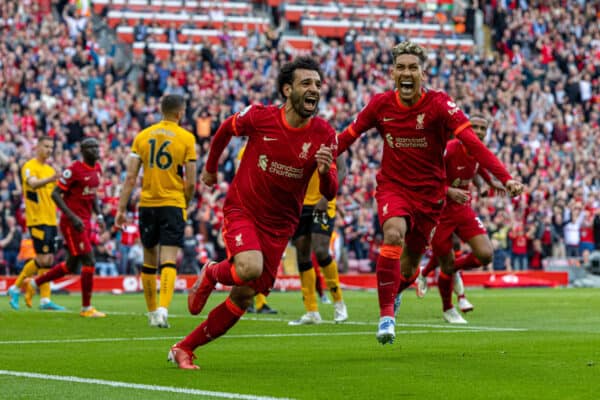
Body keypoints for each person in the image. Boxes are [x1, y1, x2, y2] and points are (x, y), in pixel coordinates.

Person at [337, 41, 523, 345]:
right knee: (393, 233)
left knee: (409, 268)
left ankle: (397, 291)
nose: (407, 72)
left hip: (430, 197)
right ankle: (386, 317)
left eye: (413, 67)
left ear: (423, 73)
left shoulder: (439, 105)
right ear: (393, 72)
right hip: (394, 188)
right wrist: (313, 157)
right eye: (401, 67)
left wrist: (506, 177)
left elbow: (474, 145)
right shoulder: (380, 105)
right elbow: (346, 137)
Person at [168, 56, 338, 369]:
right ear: (287, 90)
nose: (314, 89)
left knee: (243, 297)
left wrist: (325, 172)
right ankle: (211, 272)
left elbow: (330, 191)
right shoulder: (261, 117)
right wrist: (210, 169)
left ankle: (184, 347)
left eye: (317, 84)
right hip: (243, 209)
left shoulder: (324, 133)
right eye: (306, 83)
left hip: (281, 225)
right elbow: (224, 130)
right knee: (248, 267)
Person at [414, 115, 508, 323]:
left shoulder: (476, 150)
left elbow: (478, 166)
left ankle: (445, 270)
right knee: (445, 255)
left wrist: (489, 184)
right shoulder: (449, 148)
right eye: (474, 126)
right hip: (439, 212)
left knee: (485, 254)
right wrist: (448, 191)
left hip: (462, 208)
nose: (479, 131)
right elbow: (428, 176)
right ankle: (448, 308)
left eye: (483, 127)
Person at [115, 94, 197, 329]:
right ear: (180, 113)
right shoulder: (186, 139)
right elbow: (190, 182)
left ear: (161, 111)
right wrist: (186, 201)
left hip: (148, 204)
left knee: (149, 260)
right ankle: (163, 309)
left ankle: (152, 313)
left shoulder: (142, 136)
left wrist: (121, 209)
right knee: (169, 259)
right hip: (172, 203)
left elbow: (130, 177)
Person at [24, 138, 106, 318]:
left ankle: (34, 284)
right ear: (83, 151)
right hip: (72, 223)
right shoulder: (74, 170)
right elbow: (55, 194)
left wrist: (98, 215)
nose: (95, 150)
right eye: (91, 147)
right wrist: (72, 216)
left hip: (84, 221)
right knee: (89, 261)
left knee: (71, 265)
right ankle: (86, 308)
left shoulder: (98, 169)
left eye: (96, 146)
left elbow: (92, 196)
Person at [289, 156, 348, 325]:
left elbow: (342, 171)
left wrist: (326, 197)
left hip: (324, 201)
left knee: (321, 250)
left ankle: (339, 303)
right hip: (301, 203)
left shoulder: (334, 139)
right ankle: (312, 311)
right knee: (302, 253)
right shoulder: (300, 136)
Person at [8, 136, 65, 311]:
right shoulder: (29, 166)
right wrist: (52, 179)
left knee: (47, 260)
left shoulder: (50, 169)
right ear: (38, 146)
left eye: (51, 147)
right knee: (42, 258)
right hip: (36, 219)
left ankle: (45, 300)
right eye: (46, 146)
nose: (49, 150)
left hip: (50, 219)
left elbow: (56, 194)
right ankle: (16, 287)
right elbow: (32, 184)